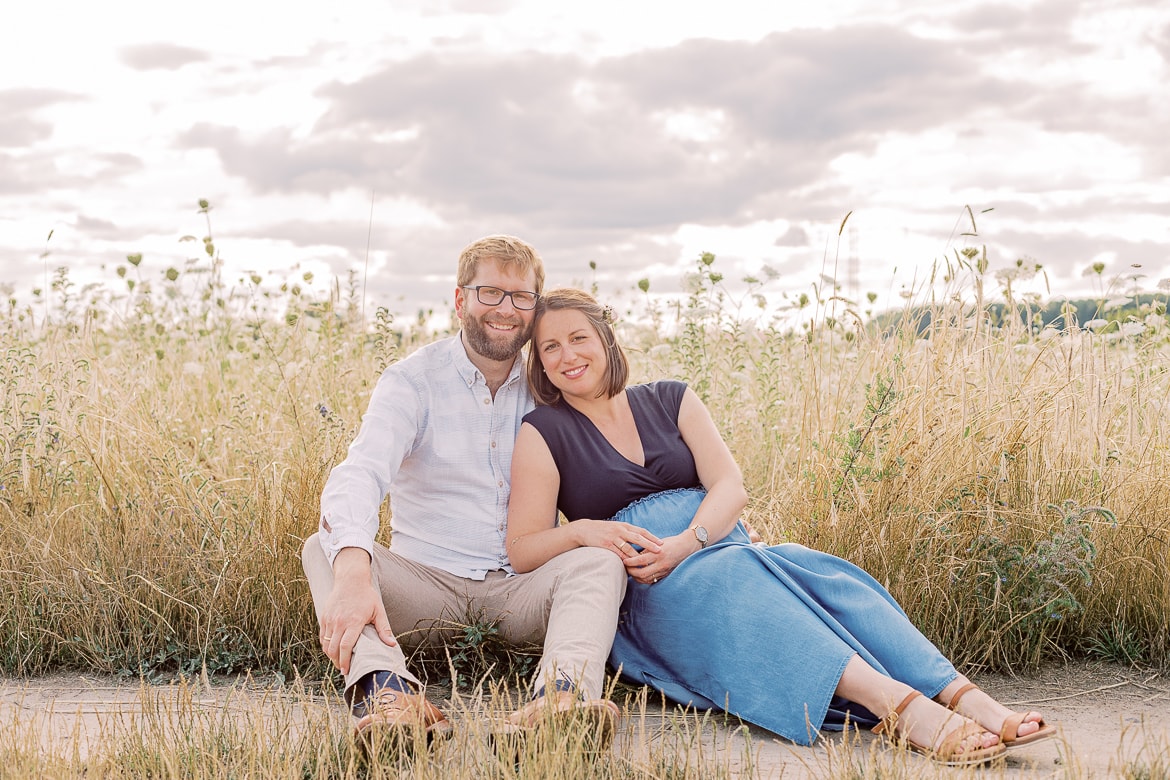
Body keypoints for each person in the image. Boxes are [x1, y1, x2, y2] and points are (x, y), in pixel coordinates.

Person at [506, 288, 1057, 767]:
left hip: (723, 549)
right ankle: (901, 708)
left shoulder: (671, 398)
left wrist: (686, 542)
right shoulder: (544, 431)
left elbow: (730, 487)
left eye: (578, 337)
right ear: (539, 363)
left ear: (606, 339)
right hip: (654, 590)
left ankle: (965, 697)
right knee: (730, 581)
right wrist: (585, 532)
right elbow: (524, 547)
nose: (567, 355)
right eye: (549, 347)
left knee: (828, 577)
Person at [301, 239, 625, 755]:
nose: (506, 309)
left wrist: (702, 524)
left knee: (597, 564)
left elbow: (624, 455)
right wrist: (356, 569)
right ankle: (391, 701)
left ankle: (559, 704)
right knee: (326, 548)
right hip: (427, 586)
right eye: (490, 292)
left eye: (521, 297)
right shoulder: (413, 381)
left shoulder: (551, 384)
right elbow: (360, 472)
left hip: (522, 588)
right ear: (459, 300)